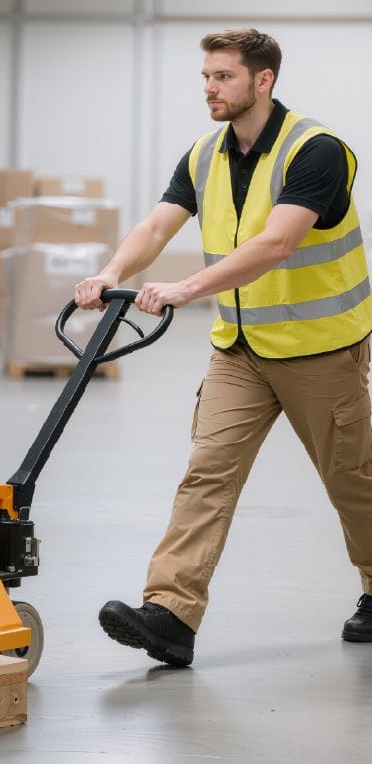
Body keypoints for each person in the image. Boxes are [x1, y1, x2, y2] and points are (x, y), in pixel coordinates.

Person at [74, 28, 372, 666]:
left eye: (224, 77)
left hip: (319, 350)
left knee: (353, 482)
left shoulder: (316, 152)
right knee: (207, 474)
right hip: (239, 349)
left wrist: (187, 287)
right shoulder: (206, 153)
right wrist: (111, 273)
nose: (209, 88)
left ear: (263, 81)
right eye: (206, 77)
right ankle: (171, 614)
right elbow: (158, 222)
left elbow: (276, 245)